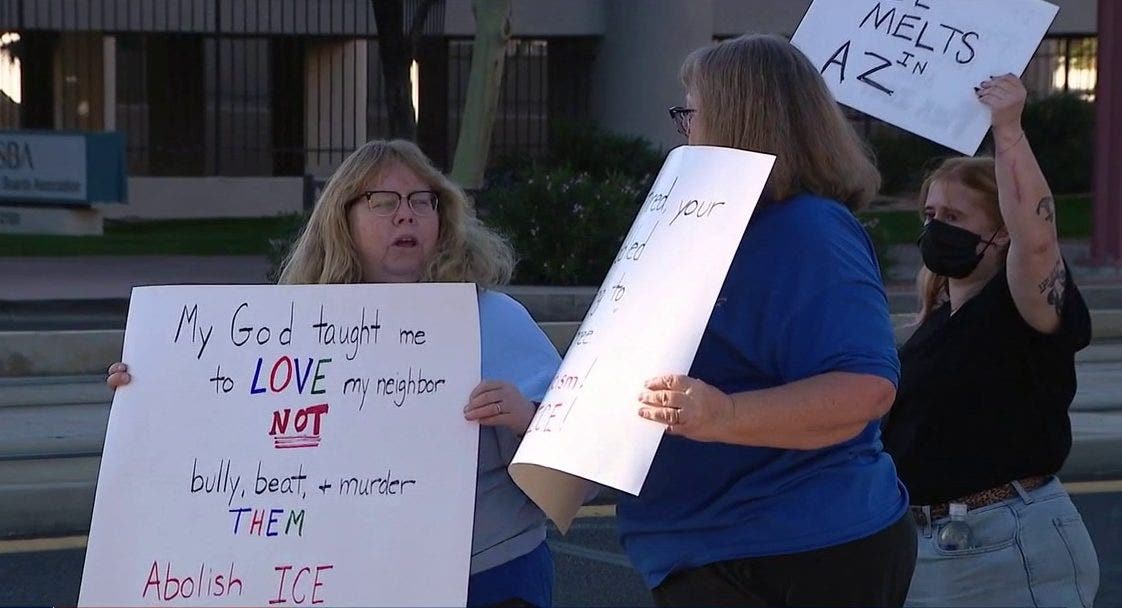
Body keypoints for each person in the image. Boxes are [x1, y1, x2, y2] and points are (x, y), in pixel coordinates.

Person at [106, 139, 562, 608]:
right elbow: (230, 444)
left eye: (421, 200)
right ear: (342, 220)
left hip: (486, 580)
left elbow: (573, 473)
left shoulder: (495, 320)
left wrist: (526, 418)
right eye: (382, 201)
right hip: (346, 581)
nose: (406, 215)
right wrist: (150, 389)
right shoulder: (294, 330)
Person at [620, 34, 916, 607]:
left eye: (691, 112)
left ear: (738, 120)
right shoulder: (715, 229)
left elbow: (864, 389)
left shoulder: (809, 231)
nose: (684, 131)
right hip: (716, 551)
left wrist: (723, 414)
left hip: (793, 555)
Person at [881, 75, 1100, 607]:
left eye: (954, 217)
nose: (935, 228)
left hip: (1003, 547)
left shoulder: (1020, 305)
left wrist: (1008, 130)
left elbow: (1037, 231)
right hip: (927, 547)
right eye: (930, 215)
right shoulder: (935, 324)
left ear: (1001, 234)